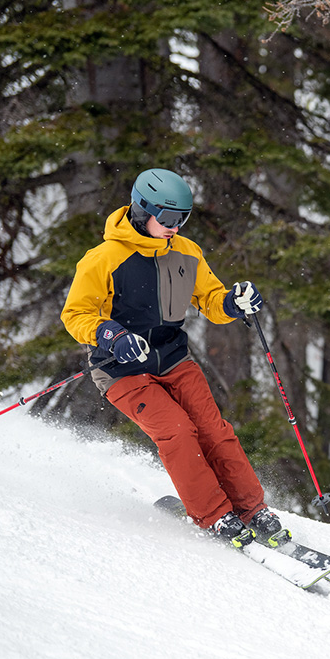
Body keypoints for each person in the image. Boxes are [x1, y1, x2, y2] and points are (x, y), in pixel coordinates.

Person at [61, 168, 285, 548]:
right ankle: (214, 515)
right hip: (121, 369)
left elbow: (211, 300)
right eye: (166, 218)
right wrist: (111, 335)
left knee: (214, 430)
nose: (174, 227)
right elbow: (75, 314)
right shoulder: (102, 259)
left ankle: (252, 509)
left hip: (173, 360)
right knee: (178, 432)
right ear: (140, 209)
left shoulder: (186, 252)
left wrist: (234, 302)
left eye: (182, 219)